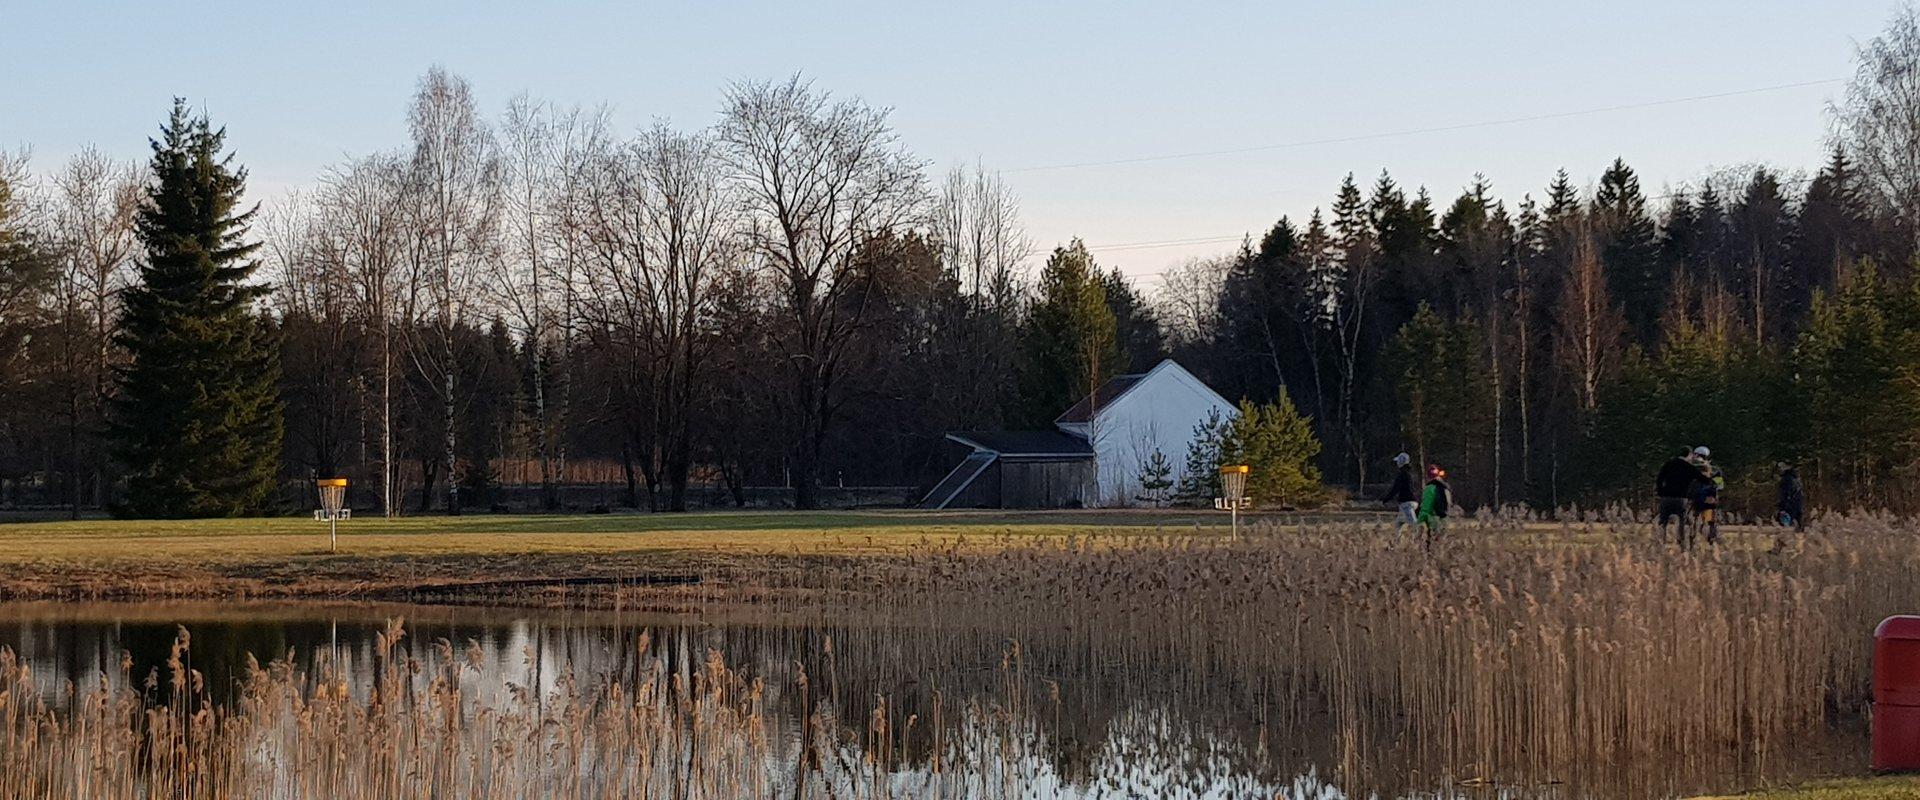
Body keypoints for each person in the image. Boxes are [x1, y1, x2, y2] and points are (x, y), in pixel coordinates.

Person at [1655, 448, 1708, 545]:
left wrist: (1660, 492)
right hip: (1681, 498)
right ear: (1689, 455)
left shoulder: (1668, 464)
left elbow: (1659, 479)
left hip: (1666, 497)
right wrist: (1714, 480)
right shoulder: (1689, 467)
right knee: (1682, 521)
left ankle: (1660, 543)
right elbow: (1703, 479)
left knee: (1663, 521)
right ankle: (1681, 542)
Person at [1689, 447, 1724, 547]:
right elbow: (1720, 486)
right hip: (1709, 498)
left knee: (1694, 520)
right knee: (1710, 521)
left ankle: (1692, 542)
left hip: (1695, 497)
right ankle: (1711, 542)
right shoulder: (1715, 469)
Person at [1380, 452, 1418, 536]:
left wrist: (1386, 499)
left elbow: (1395, 489)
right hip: (1413, 502)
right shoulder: (1411, 474)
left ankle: (1417, 541)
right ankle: (1398, 542)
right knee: (1398, 524)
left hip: (1406, 503)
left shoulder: (1402, 475)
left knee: (1414, 524)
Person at [1416, 464, 1452, 544]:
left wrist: (1420, 520)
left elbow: (1426, 507)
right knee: (1442, 545)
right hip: (1445, 520)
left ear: (1428, 476)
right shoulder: (1446, 488)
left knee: (1432, 545)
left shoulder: (1430, 488)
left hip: (1434, 520)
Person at [1777, 462, 1806, 532]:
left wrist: (1784, 502)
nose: (1779, 469)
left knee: (1784, 517)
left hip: (1790, 502)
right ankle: (1799, 530)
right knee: (1798, 517)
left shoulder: (1787, 479)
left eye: (1780, 468)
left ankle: (1786, 533)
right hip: (1798, 501)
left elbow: (1786, 492)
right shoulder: (1796, 478)